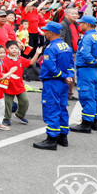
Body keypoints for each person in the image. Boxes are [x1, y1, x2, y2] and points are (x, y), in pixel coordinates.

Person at [33, 22, 75, 150]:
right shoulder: (67, 46)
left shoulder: (51, 48)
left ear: (51, 32)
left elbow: (51, 67)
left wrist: (63, 76)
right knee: (62, 108)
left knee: (51, 108)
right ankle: (63, 136)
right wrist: (69, 76)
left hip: (53, 82)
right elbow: (71, 64)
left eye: (46, 31)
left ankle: (51, 139)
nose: (45, 33)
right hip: (63, 83)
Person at [71, 16, 97, 132]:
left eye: (81, 23)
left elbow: (85, 54)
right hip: (95, 71)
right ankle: (95, 122)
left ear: (86, 24)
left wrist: (94, 61)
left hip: (86, 69)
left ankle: (86, 124)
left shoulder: (87, 37)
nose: (80, 25)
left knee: (87, 95)